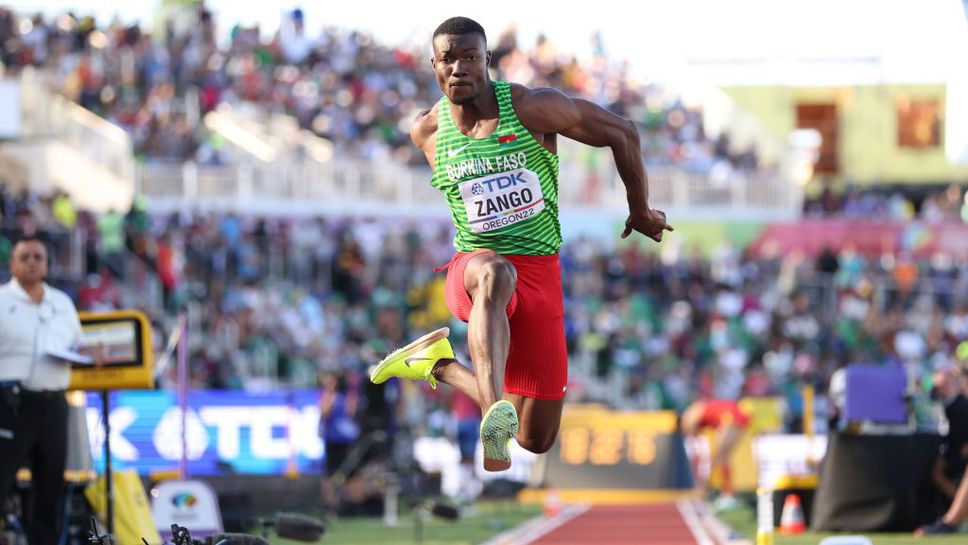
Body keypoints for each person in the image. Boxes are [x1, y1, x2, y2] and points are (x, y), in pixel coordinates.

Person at [370, 16, 672, 471]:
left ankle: (439, 365)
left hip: (540, 273)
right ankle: (492, 421)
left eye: (469, 57)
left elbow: (622, 131)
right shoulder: (427, 131)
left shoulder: (532, 108)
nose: (459, 69)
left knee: (536, 437)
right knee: (495, 272)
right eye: (448, 60)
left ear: (486, 60)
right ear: (433, 66)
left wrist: (641, 209)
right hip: (473, 269)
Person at [0, 237, 90, 545]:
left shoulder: (62, 303)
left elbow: (79, 347)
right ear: (12, 264)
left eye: (38, 256)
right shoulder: (1, 300)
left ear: (48, 265)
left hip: (53, 403)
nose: (31, 262)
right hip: (10, 402)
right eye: (24, 256)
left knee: (50, 488)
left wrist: (95, 356)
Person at [679, 398, 751, 510]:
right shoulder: (697, 411)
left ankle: (727, 494)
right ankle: (727, 493)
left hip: (730, 418)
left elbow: (692, 430)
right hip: (733, 417)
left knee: (719, 457)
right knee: (723, 458)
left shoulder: (689, 415)